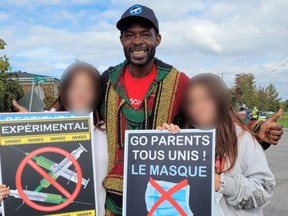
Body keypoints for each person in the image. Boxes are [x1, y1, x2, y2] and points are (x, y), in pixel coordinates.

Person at [101, 4, 283, 215]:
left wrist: (255, 128)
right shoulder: (107, 80)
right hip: (113, 197)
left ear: (157, 39)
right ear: (122, 39)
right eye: (130, 35)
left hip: (161, 194)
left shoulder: (178, 82)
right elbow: (81, 108)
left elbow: (208, 113)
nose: (138, 41)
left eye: (145, 34)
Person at [159, 73, 275, 215]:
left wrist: (220, 183)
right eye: (191, 102)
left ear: (220, 100)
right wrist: (163, 142)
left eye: (206, 99)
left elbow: (264, 190)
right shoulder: (183, 138)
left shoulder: (242, 138)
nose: (198, 107)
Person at [5, 62, 108, 216]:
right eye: (74, 87)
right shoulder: (41, 125)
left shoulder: (108, 132)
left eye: (89, 88)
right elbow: (13, 168)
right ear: (64, 90)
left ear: (98, 94)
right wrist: (25, 124)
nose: (81, 94)